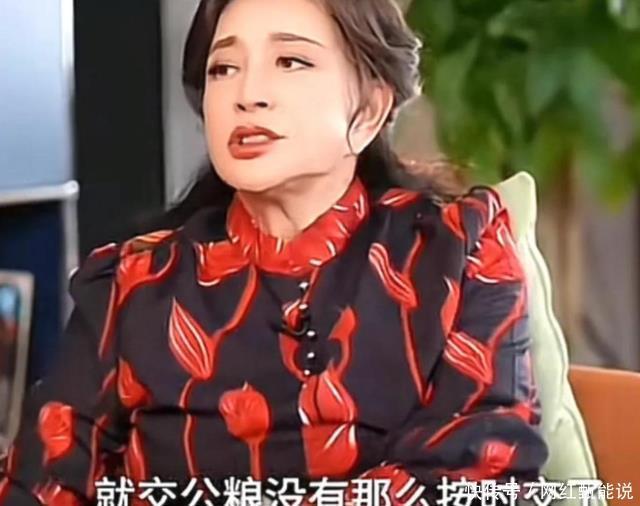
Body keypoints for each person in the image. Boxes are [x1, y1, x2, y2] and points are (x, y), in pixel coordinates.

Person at [0, 0, 549, 503]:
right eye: (223, 68)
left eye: (291, 61)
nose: (248, 93)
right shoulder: (133, 280)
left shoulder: (456, 250)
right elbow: (42, 484)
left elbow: (483, 473)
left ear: (369, 109)